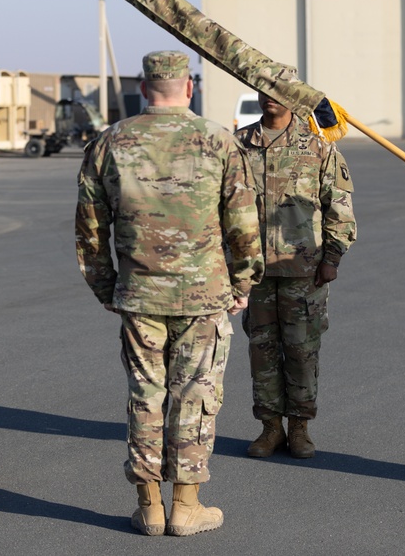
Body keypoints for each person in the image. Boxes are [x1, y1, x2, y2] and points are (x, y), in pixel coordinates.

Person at [75, 50, 263, 537]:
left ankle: (149, 507)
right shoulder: (219, 140)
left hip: (139, 294)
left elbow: (90, 228)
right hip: (203, 294)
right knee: (196, 397)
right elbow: (242, 221)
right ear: (188, 87)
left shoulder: (109, 142)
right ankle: (186, 505)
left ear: (143, 87)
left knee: (146, 396)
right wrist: (243, 282)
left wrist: (104, 285)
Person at [235, 87, 356, 459]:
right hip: (253, 270)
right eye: (263, 90)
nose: (269, 97)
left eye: (278, 91)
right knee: (262, 350)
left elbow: (338, 204)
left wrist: (332, 257)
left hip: (304, 270)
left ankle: (300, 428)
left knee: (303, 351)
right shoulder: (238, 145)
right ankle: (270, 428)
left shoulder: (317, 146)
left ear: (293, 98)